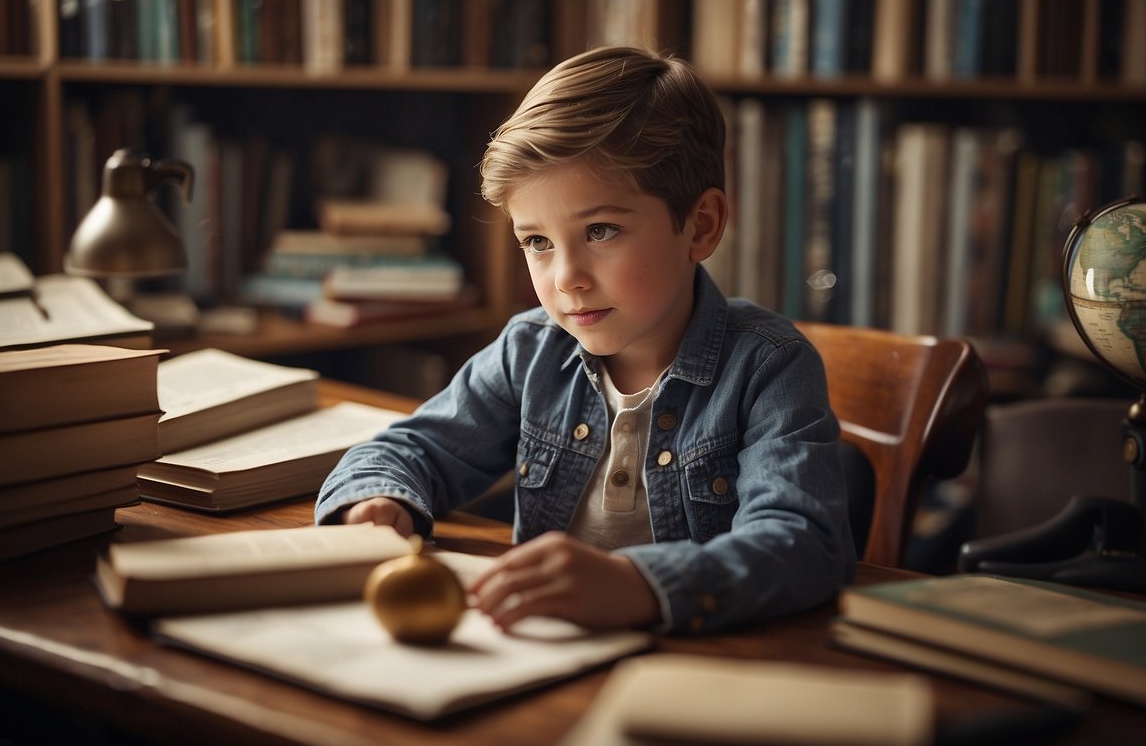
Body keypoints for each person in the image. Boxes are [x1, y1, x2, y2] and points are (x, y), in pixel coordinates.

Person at [315, 46, 856, 635]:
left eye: (600, 230)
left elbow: (804, 545)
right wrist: (375, 501)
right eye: (537, 242)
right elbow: (407, 452)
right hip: (537, 657)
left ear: (700, 225)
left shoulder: (769, 367)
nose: (566, 277)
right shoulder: (531, 351)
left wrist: (640, 586)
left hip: (700, 670)